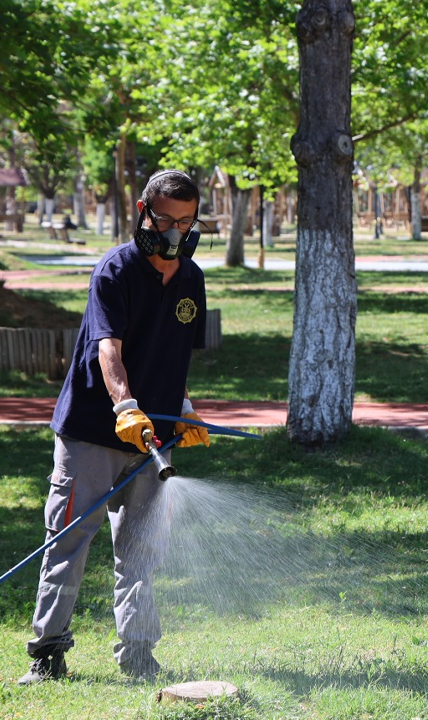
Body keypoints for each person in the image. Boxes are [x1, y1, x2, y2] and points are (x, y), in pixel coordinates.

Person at [19, 170, 212, 685]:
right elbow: (110, 349)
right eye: (167, 220)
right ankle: (47, 652)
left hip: (155, 438)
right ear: (145, 214)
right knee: (68, 542)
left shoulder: (191, 279)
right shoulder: (114, 271)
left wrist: (184, 408)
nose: (176, 232)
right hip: (92, 431)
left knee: (142, 550)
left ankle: (138, 654)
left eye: (187, 222)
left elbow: (172, 359)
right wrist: (125, 406)